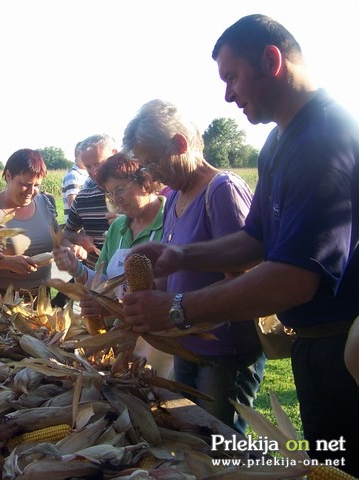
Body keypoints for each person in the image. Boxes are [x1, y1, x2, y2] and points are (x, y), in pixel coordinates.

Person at [123, 15, 359, 474]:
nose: (228, 95)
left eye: (232, 77)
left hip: (343, 348)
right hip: (314, 348)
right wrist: (183, 254)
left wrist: (177, 309)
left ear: (271, 60)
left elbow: (294, 278)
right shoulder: (278, 143)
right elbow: (257, 239)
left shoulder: (325, 140)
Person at [122, 99, 265, 434]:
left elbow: (244, 278)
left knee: (218, 446)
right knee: (192, 441)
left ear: (180, 144)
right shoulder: (174, 196)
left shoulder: (222, 191)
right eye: (145, 167)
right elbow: (177, 272)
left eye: (152, 163)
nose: (151, 174)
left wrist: (174, 306)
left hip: (224, 352)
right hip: (185, 343)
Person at [54, 152, 174, 378]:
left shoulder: (172, 219)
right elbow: (102, 284)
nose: (116, 199)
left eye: (120, 189)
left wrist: (110, 306)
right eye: (109, 193)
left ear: (145, 181)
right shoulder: (117, 228)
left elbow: (177, 288)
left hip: (163, 348)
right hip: (123, 343)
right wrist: (76, 268)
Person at [0, 149, 58, 299]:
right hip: (0, 296)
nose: (31, 191)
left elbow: (58, 240)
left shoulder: (45, 203)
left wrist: (72, 245)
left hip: (42, 294)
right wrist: (7, 263)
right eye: (25, 184)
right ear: (9, 176)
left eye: (37, 185)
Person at [62, 133, 117, 267]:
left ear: (114, 155)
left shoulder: (136, 192)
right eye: (88, 166)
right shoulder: (83, 198)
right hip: (95, 280)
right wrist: (78, 239)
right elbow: (66, 234)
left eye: (98, 163)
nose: (94, 172)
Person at [61, 140, 88, 219]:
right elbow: (73, 204)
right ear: (76, 156)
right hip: (77, 225)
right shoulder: (73, 176)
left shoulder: (85, 174)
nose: (87, 158)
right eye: (83, 155)